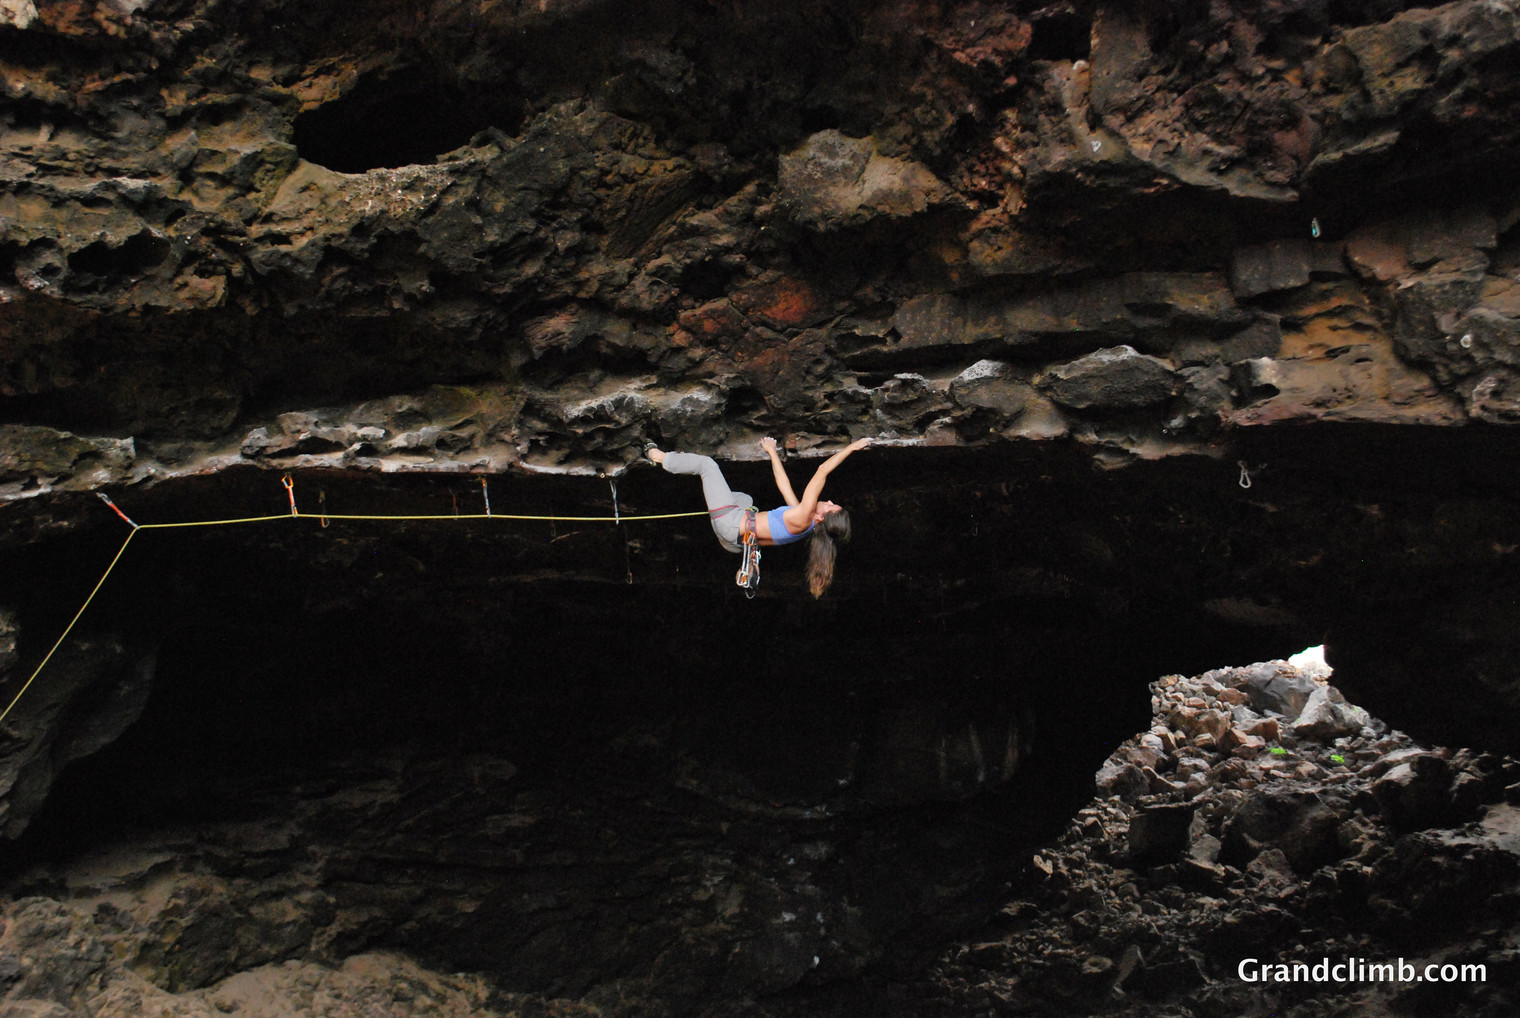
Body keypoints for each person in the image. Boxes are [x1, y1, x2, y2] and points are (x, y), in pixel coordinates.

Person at [645, 436, 871, 597]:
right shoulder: (807, 523)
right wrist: (771, 451)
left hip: (729, 524)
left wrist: (853, 447)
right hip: (733, 541)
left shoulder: (804, 516)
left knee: (707, 466)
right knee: (746, 500)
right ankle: (687, 466)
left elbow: (822, 470)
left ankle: (656, 456)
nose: (829, 501)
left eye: (830, 507)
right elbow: (784, 487)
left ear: (822, 518)